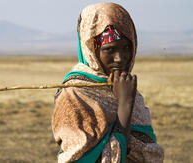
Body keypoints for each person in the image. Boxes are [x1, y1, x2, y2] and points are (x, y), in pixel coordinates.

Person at [52, 2, 164, 163]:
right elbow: (83, 159)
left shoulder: (128, 90)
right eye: (109, 49)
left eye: (126, 47)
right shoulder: (74, 94)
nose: (120, 58)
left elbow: (149, 151)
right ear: (91, 50)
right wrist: (125, 104)